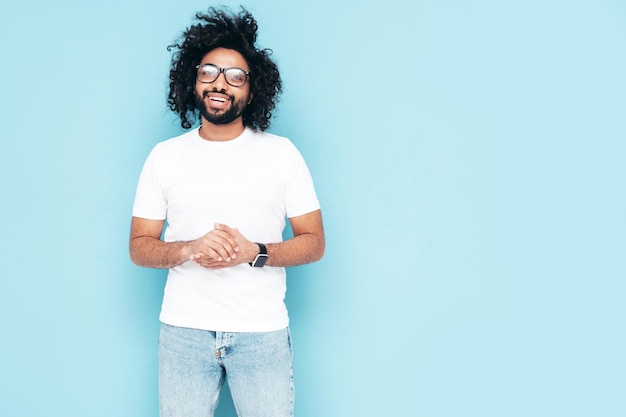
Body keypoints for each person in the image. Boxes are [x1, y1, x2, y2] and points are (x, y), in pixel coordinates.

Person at [129, 6, 325, 417]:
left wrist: (253, 251)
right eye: (209, 72)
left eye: (236, 76)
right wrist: (187, 249)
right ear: (193, 80)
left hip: (262, 333)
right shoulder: (165, 157)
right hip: (184, 332)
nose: (221, 84)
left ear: (252, 91)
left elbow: (314, 242)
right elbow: (139, 247)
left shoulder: (281, 154)